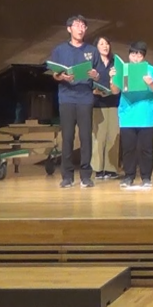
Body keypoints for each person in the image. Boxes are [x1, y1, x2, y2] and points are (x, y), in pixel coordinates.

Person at [49, 15, 105, 189]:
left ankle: (86, 176)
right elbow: (54, 74)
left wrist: (95, 75)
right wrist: (61, 76)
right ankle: (67, 176)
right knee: (67, 137)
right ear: (69, 29)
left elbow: (99, 74)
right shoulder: (60, 50)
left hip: (85, 97)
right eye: (77, 25)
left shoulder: (92, 50)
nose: (80, 29)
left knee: (86, 137)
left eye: (83, 26)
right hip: (66, 97)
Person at [117, 41, 153, 188]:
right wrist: (113, 79)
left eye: (139, 55)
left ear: (143, 57)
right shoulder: (124, 70)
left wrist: (151, 83)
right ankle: (128, 176)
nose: (136, 58)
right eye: (133, 54)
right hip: (127, 115)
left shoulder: (151, 70)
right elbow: (115, 90)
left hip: (147, 115)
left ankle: (146, 177)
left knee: (146, 149)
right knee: (128, 148)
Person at [91, 36, 120, 180]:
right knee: (98, 137)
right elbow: (86, 82)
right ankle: (97, 168)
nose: (105, 46)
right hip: (97, 104)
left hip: (114, 102)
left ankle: (111, 168)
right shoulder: (93, 63)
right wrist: (94, 91)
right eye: (101, 44)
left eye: (107, 43)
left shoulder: (115, 62)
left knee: (113, 136)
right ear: (96, 47)